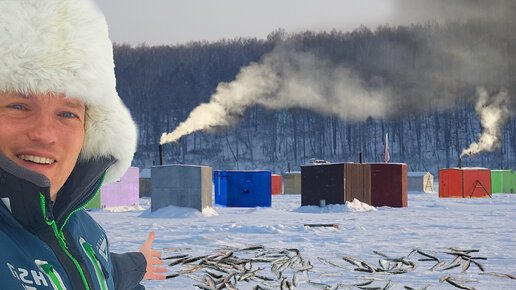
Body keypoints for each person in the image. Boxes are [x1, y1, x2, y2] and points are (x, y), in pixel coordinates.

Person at [0, 0, 167, 289]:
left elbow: (98, 272)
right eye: (18, 105)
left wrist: (139, 264)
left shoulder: (86, 231)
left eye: (67, 113)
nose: (45, 133)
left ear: (91, 133)